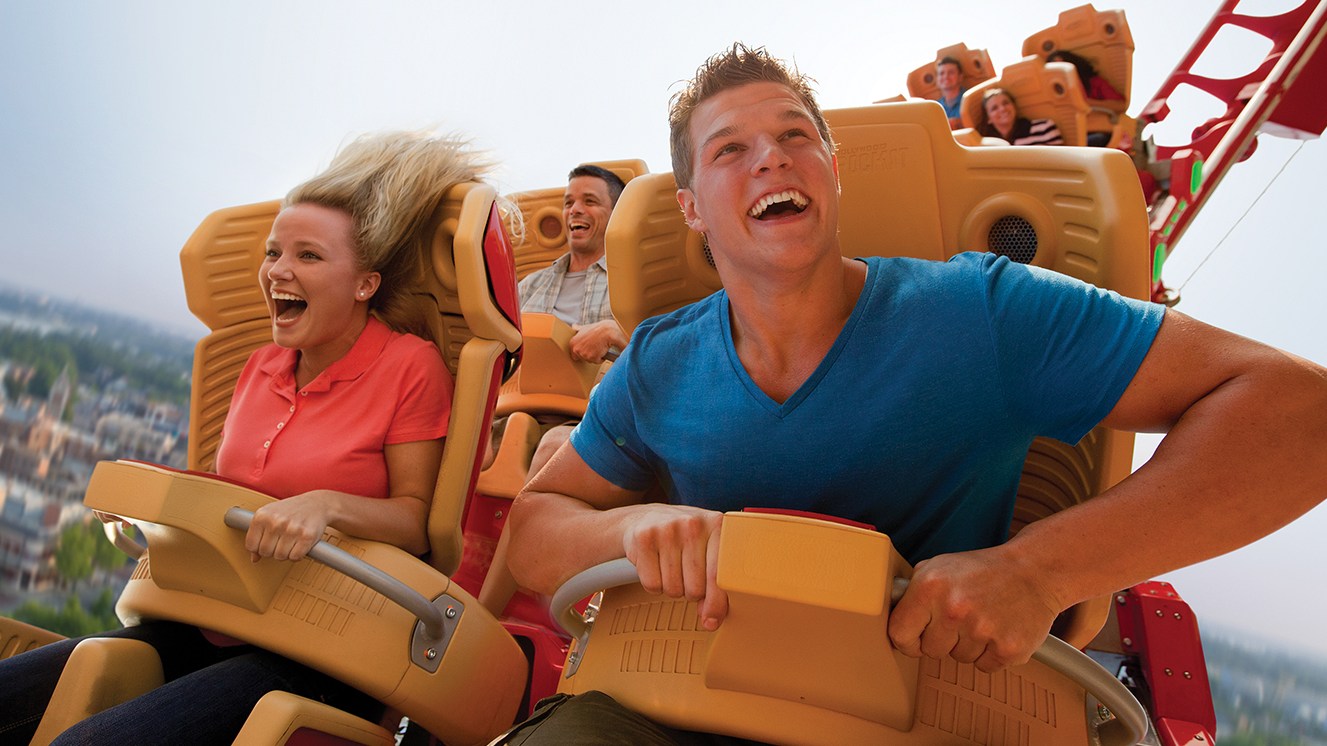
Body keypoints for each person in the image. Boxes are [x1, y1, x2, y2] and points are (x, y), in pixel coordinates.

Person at [500, 42, 1327, 743]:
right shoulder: (658, 360)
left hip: (924, 708)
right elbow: (537, 528)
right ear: (689, 208)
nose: (772, 157)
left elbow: (1300, 412)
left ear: (831, 170)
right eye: (729, 149)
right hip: (690, 700)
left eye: (795, 135)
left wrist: (1039, 572)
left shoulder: (978, 309)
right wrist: (635, 527)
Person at [0, 130, 495, 745]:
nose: (278, 271)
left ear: (365, 284)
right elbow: (228, 490)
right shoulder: (261, 365)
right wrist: (151, 503)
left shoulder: (409, 367)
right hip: (213, 612)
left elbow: (418, 523)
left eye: (308, 257)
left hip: (324, 641)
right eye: (273, 253)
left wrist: (325, 507)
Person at [518, 164, 630, 365]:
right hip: (522, 394)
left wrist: (614, 332)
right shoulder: (529, 285)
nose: (575, 210)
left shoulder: (635, 283)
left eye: (590, 201)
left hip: (601, 395)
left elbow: (665, 359)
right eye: (568, 203)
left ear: (617, 214)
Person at [1048, 49, 1124, 147]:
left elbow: (1120, 105)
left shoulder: (1095, 83)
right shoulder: (1052, 94)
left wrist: (1086, 102)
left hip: (1095, 133)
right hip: (1067, 138)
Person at [978, 87, 1064, 146]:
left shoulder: (1045, 127)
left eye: (1006, 103)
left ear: (1014, 106)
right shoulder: (987, 144)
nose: (1002, 109)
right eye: (994, 108)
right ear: (988, 119)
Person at [934, 56, 966, 129]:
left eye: (951, 72)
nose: (946, 76)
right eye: (941, 73)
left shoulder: (968, 100)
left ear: (960, 77)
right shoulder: (935, 106)